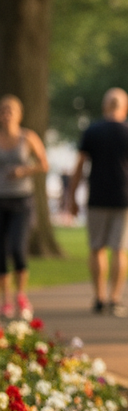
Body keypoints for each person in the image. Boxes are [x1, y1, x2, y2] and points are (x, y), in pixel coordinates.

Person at [69, 88, 128, 317]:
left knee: (97, 248)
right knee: (121, 250)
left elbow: (79, 166)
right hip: (126, 199)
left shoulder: (92, 131)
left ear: (104, 106)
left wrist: (71, 197)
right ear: (125, 108)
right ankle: (115, 299)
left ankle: (99, 297)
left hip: (97, 198)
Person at [0, 96, 49, 320]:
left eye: (10, 110)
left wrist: (23, 171)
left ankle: (21, 294)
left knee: (18, 248)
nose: (6, 114)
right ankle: (6, 300)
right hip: (1, 199)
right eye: (3, 110)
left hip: (22, 200)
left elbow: (43, 164)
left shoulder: (27, 137)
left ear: (19, 114)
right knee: (1, 253)